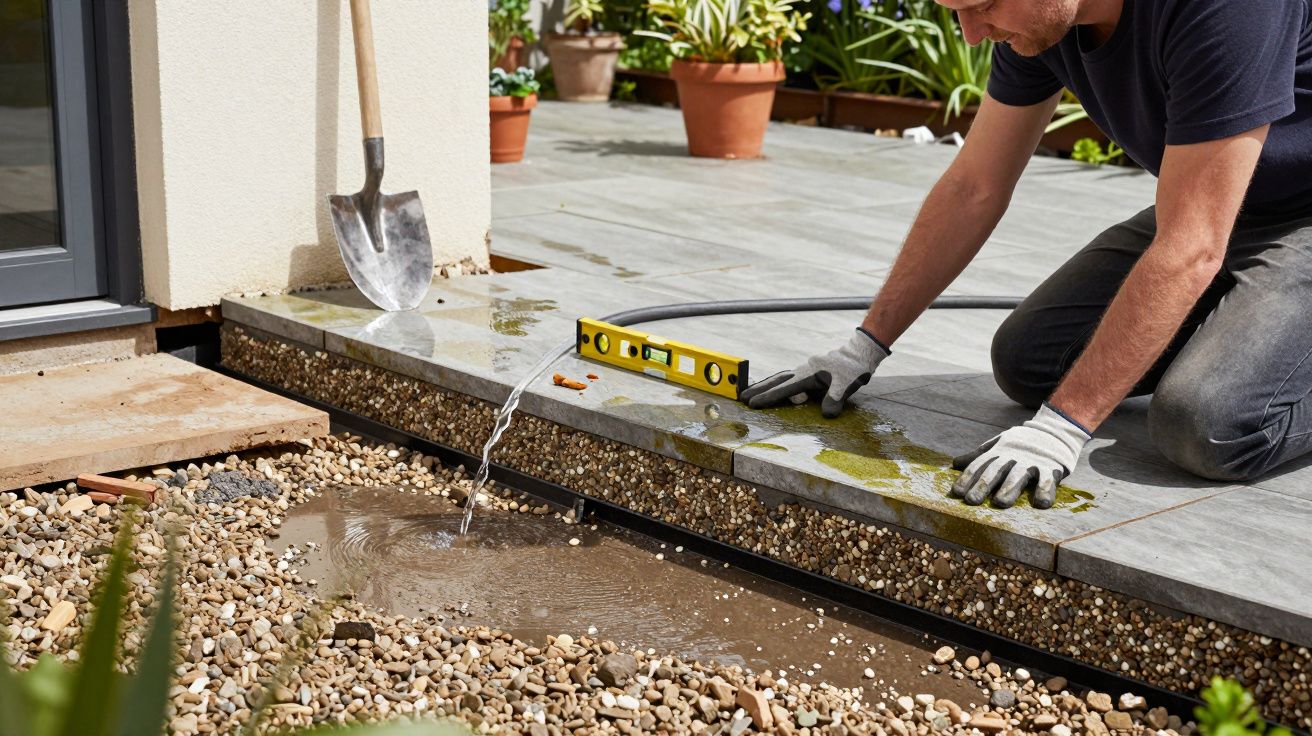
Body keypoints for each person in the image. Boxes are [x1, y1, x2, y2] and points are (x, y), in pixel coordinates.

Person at [741, 0, 1312, 509]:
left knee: (1207, 425)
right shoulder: (1042, 23)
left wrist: (1064, 427)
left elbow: (1190, 248)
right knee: (1029, 361)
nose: (969, 33)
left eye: (981, 6)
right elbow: (975, 186)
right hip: (1220, 202)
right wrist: (863, 346)